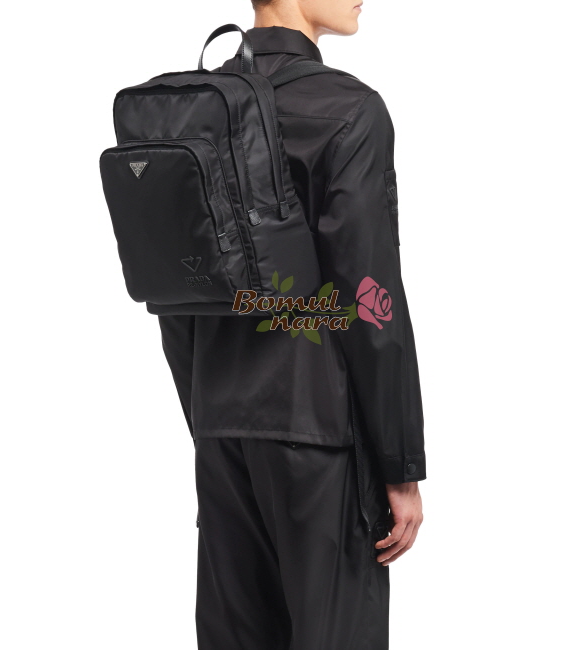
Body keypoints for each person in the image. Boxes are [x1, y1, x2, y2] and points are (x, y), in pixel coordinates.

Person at [158, 1, 426, 647]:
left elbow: (175, 294)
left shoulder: (193, 110)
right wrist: (400, 465)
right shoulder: (349, 110)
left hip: (222, 436)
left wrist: (210, 420)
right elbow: (370, 297)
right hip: (319, 438)